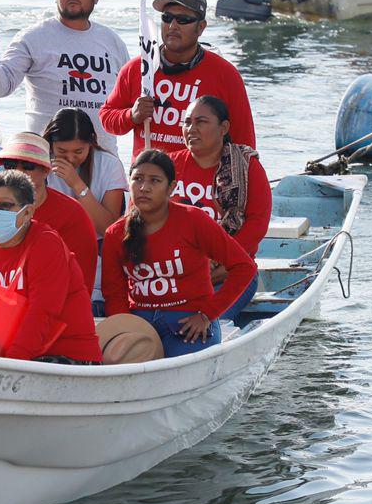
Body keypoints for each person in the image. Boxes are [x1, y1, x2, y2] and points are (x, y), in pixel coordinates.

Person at [101, 150, 257, 358]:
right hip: (140, 322)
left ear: (171, 188)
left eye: (155, 181)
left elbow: (244, 268)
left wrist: (207, 315)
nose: (144, 188)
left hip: (189, 322)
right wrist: (125, 328)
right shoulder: (115, 233)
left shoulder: (194, 220)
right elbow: (114, 292)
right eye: (137, 179)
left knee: (171, 367)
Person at [0, 0, 130, 155]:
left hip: (102, 157)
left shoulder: (113, 41)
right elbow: (0, 87)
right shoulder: (33, 37)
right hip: (45, 158)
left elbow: (129, 99)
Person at [0, 169, 103, 364]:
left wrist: (12, 363)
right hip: (4, 352)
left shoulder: (45, 244)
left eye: (5, 205)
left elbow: (43, 313)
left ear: (28, 211)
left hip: (64, 351)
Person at [99, 0, 255, 159]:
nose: (172, 26)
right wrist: (131, 116)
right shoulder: (138, 68)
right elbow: (107, 118)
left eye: (183, 20)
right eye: (167, 18)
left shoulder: (225, 74)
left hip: (201, 183)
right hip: (148, 181)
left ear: (201, 27)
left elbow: (244, 141)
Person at [0, 132, 99, 300]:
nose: (18, 172)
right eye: (10, 164)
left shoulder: (72, 215)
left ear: (46, 171)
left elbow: (80, 284)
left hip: (48, 312)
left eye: (27, 165)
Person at [169, 95, 271, 319]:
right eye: (187, 122)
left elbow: (257, 224)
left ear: (224, 127)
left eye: (201, 122)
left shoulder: (247, 168)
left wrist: (219, 262)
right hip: (171, 274)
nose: (191, 129)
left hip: (229, 273)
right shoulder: (169, 165)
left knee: (198, 322)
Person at [42, 107, 128, 237]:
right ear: (50, 144)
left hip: (96, 243)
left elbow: (108, 229)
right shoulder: (39, 164)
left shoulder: (110, 165)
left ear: (91, 142)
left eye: (78, 152)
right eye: (62, 151)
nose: (70, 159)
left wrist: (78, 185)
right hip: (53, 241)